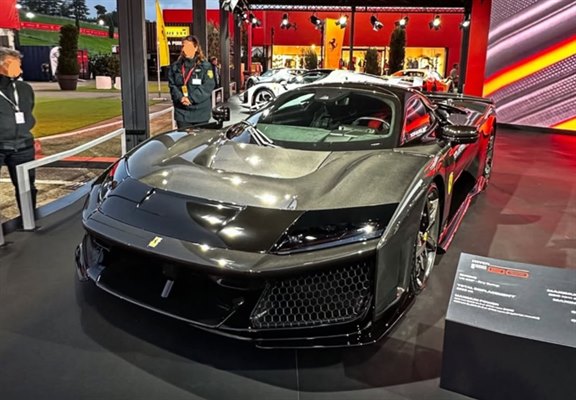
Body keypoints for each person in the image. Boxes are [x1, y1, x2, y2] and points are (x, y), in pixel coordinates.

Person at [0, 47, 37, 214]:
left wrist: (24, 129)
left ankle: (29, 220)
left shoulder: (24, 88)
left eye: (18, 64)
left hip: (23, 146)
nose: (18, 68)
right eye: (12, 64)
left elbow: (29, 109)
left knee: (27, 188)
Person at [168, 36, 215, 129]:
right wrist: (181, 98)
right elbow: (172, 85)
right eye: (183, 46)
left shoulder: (205, 66)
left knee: (200, 138)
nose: (185, 49)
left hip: (201, 113)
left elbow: (208, 86)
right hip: (182, 112)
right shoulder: (175, 67)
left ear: (196, 48)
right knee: (184, 138)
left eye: (188, 46)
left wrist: (191, 99)